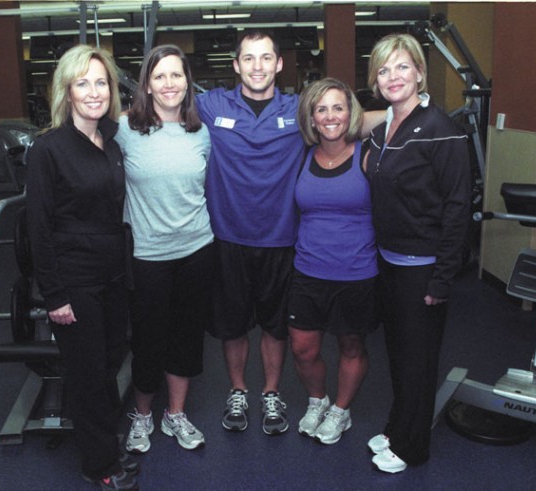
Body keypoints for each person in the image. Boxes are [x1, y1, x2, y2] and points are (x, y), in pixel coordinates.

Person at [197, 29, 385, 435]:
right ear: (236, 65)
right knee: (232, 327)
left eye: (266, 58)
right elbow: (161, 108)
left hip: (283, 240)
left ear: (279, 65)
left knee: (274, 326)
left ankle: (270, 392)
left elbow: (347, 118)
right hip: (227, 237)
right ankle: (238, 390)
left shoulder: (300, 109)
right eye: (249, 58)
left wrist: (406, 111)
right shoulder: (211, 105)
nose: (258, 66)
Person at [26, 45, 138, 490]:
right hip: (74, 279)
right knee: (88, 374)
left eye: (100, 82)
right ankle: (101, 465)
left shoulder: (109, 142)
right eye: (82, 83)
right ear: (66, 91)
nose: (93, 91)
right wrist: (54, 295)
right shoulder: (48, 148)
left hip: (112, 275)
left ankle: (106, 440)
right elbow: (38, 227)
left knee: (110, 363)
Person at [362, 33, 471, 473]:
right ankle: (396, 426)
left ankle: (411, 447)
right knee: (400, 355)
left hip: (423, 268)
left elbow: (458, 206)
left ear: (420, 72)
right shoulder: (386, 125)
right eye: (384, 69)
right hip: (389, 262)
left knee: (418, 362)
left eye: (403, 66)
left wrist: (443, 277)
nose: (393, 76)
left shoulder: (441, 130)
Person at [116, 45, 213, 454]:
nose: (169, 83)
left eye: (176, 75)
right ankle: (141, 416)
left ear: (187, 81)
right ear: (147, 85)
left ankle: (175, 414)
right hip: (147, 255)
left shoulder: (200, 131)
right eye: (160, 76)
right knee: (148, 340)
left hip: (196, 249)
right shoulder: (125, 130)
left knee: (187, 337)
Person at [289, 78, 378, 445]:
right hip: (308, 269)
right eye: (321, 108)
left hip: (356, 272)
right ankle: (317, 400)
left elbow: (396, 114)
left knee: (351, 346)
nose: (330, 116)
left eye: (338, 107)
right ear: (311, 117)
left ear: (351, 113)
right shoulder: (302, 155)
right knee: (302, 347)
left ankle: (341, 410)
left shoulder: (368, 154)